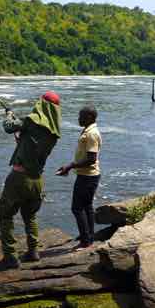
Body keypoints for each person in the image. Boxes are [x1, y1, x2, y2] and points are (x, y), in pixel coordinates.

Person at [0, 91, 62, 270]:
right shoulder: (53, 133)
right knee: (30, 216)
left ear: (42, 104)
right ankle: (33, 252)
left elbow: (8, 126)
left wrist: (9, 114)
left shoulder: (31, 121)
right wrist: (22, 138)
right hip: (37, 180)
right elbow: (32, 146)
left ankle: (10, 257)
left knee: (6, 215)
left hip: (19, 178)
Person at [57, 105, 102, 249]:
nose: (78, 118)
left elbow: (91, 159)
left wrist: (70, 166)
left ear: (89, 117)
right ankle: (89, 237)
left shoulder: (91, 134)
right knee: (87, 206)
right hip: (88, 176)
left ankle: (85, 241)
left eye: (81, 116)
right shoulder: (88, 131)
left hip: (87, 177)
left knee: (77, 208)